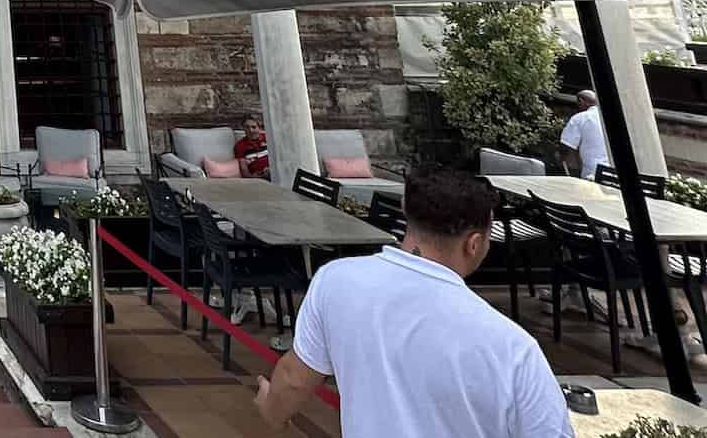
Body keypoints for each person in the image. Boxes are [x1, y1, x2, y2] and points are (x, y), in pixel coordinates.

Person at [254, 165, 572, 438]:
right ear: (474, 243)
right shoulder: (513, 349)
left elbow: (295, 379)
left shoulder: (336, 281)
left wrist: (271, 409)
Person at [560, 89, 611, 180]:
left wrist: (561, 160)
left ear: (581, 101)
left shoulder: (580, 118)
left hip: (592, 174)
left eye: (577, 104)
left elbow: (567, 147)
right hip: (614, 174)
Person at [233, 113, 270, 179]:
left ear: (259, 128)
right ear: (243, 128)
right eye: (247, 127)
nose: (250, 130)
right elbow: (245, 172)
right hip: (259, 176)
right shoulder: (240, 145)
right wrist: (253, 177)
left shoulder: (268, 138)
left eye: (254, 127)